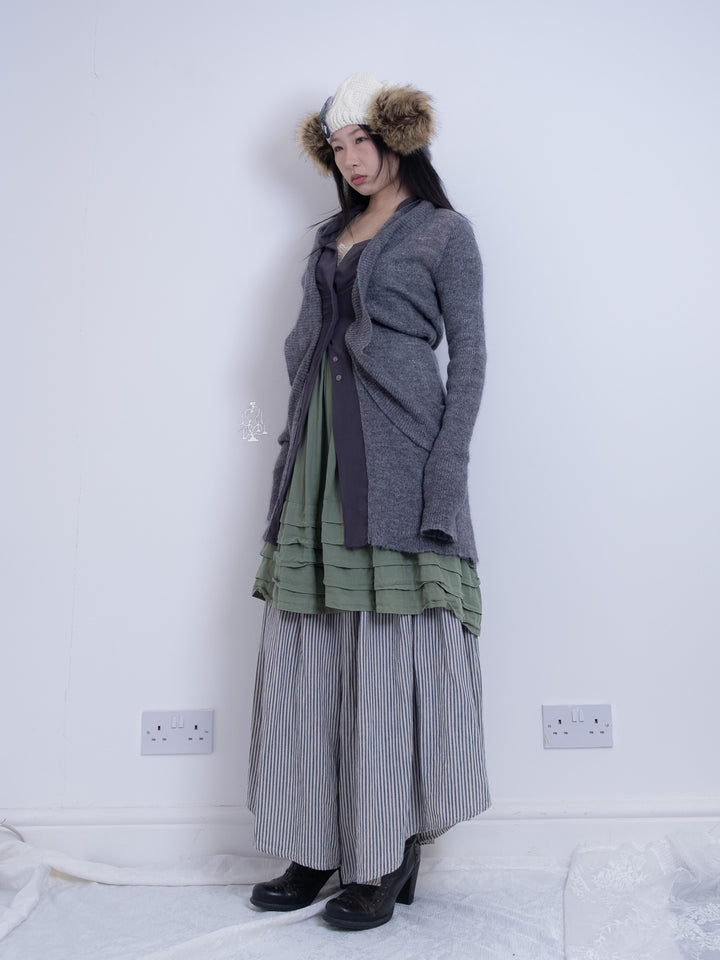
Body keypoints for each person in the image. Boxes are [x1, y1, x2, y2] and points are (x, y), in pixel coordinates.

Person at [247, 72, 490, 931]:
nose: (352, 160)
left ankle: (385, 851)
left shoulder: (444, 232)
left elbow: (470, 361)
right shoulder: (329, 236)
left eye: (364, 141)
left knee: (387, 654)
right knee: (310, 649)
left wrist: (445, 474)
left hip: (398, 460)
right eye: (338, 146)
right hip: (316, 460)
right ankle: (315, 843)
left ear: (399, 140)